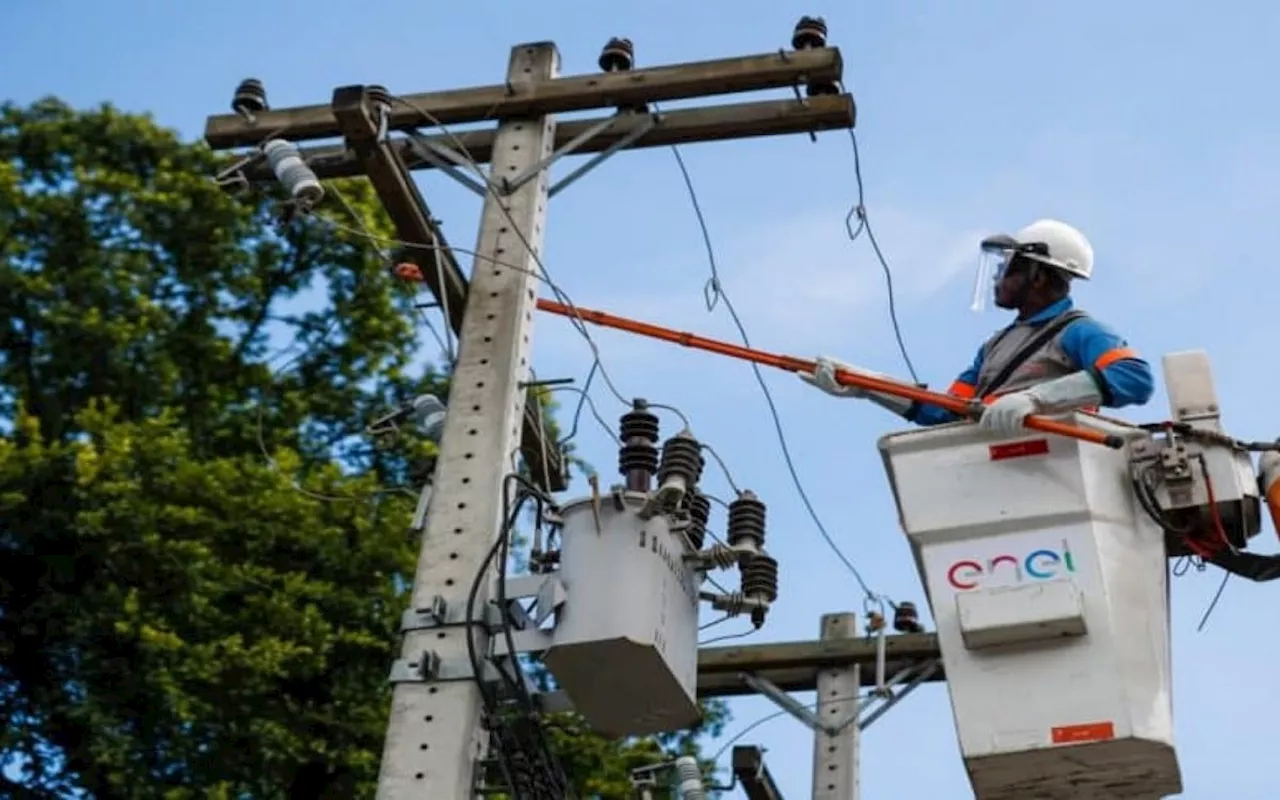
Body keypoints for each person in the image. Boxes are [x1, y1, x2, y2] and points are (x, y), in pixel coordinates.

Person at [800, 219, 1154, 436]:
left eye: (1010, 266)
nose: (999, 277)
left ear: (1038, 275)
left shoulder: (1078, 331)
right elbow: (946, 411)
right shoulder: (994, 347)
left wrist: (1035, 400)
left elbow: (1134, 378)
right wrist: (864, 383)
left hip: (1058, 463)